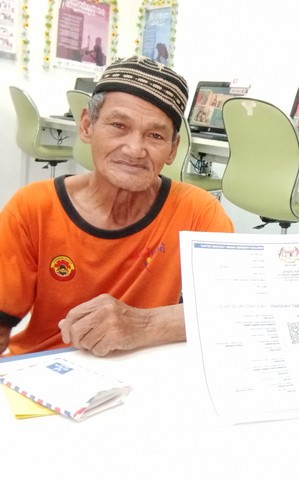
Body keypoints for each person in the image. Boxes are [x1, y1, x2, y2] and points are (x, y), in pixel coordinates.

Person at [0, 56, 234, 357]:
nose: (135, 150)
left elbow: (233, 309)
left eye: (155, 135)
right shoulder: (33, 208)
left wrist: (144, 325)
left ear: (173, 149)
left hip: (143, 374)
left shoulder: (197, 211)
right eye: (118, 125)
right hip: (44, 368)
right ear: (87, 125)